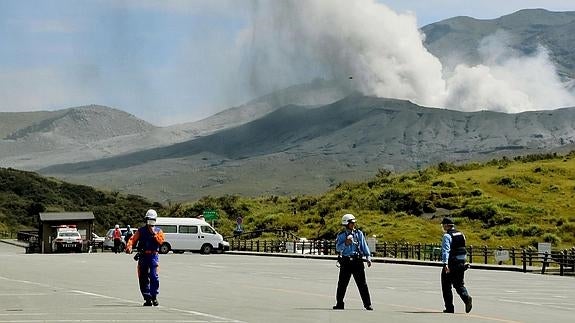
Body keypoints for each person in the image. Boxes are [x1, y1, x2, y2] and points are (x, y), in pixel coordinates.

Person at [333, 213, 373, 311]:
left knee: (362, 284)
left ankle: (367, 304)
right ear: (346, 224)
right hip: (346, 261)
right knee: (342, 284)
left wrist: (368, 256)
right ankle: (339, 303)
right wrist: (345, 243)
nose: (353, 224)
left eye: (353, 223)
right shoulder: (341, 235)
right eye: (351, 223)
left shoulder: (359, 233)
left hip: (357, 261)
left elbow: (364, 245)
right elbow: (338, 248)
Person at [126, 209, 165, 306]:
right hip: (143, 256)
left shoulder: (159, 231)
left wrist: (154, 234)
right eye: (149, 220)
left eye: (152, 221)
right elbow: (132, 239)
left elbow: (161, 241)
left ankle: (154, 297)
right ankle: (147, 298)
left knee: (154, 277)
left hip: (153, 256)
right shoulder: (141, 231)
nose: (150, 223)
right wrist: (129, 246)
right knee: (142, 277)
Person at [440, 217, 473, 314]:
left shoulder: (447, 236)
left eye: (443, 225)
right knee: (459, 284)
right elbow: (463, 248)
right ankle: (466, 298)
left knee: (446, 286)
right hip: (461, 262)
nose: (442, 227)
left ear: (446, 225)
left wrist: (445, 264)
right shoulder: (461, 234)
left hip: (451, 263)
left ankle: (449, 308)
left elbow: (446, 250)